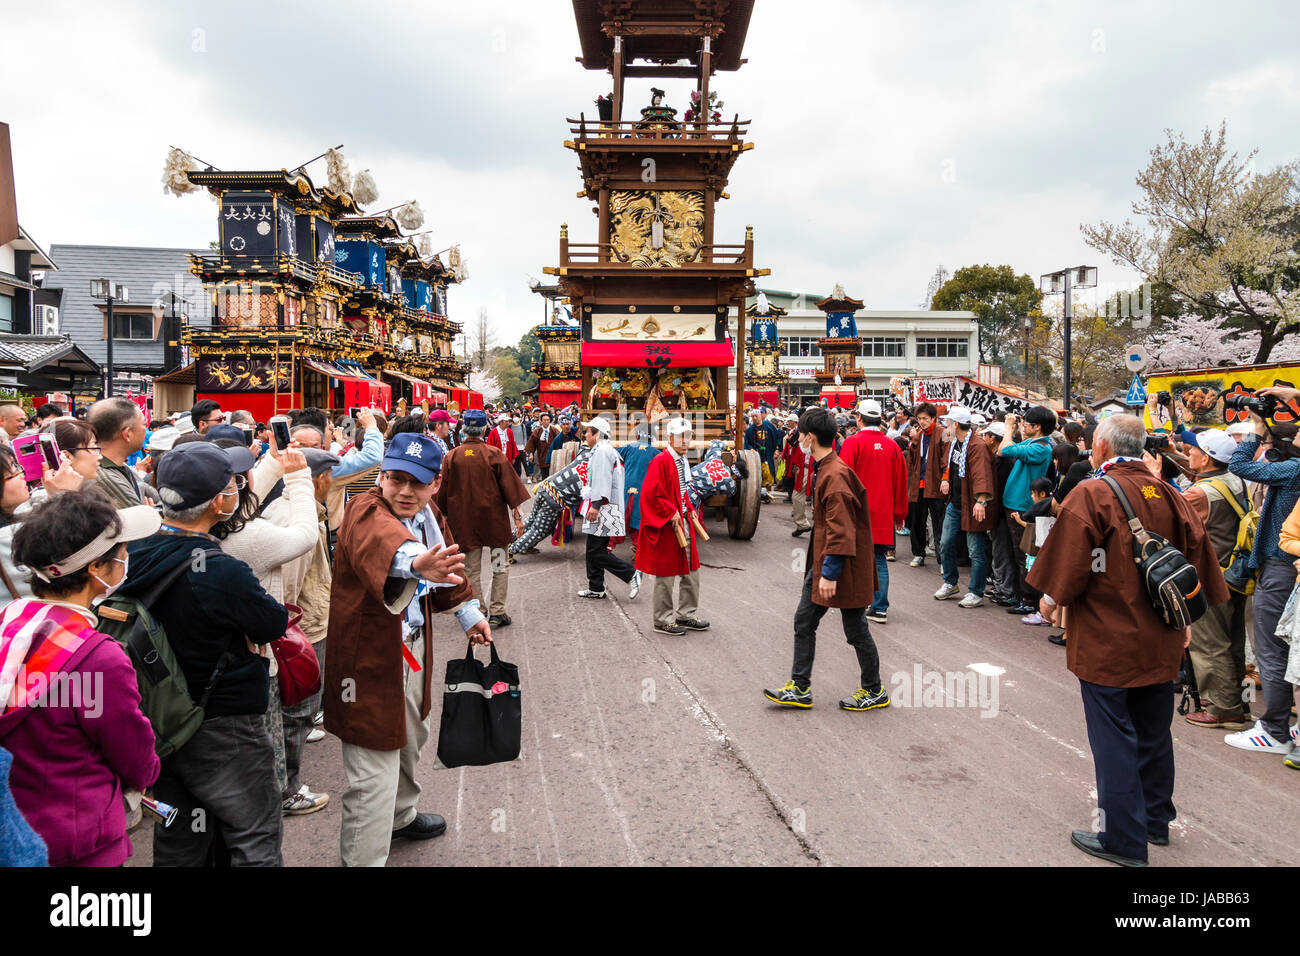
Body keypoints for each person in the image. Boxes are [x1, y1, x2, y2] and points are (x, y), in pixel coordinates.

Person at [1026, 414, 1227, 866]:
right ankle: (1155, 820)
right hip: (1162, 633)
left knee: (1114, 734)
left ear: (1099, 448)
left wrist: (1050, 598)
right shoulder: (1173, 494)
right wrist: (1189, 620)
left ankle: (1123, 837)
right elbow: (1199, 558)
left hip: (1107, 635)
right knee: (1153, 730)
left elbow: (1070, 563)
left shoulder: (1093, 493)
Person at [120, 442, 290, 866]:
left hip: (159, 717)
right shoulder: (217, 569)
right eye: (232, 486)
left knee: (181, 835)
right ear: (218, 502)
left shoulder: (131, 553)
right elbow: (270, 623)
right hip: (221, 723)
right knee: (254, 833)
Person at [324, 434, 490, 867]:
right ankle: (361, 860)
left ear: (436, 483)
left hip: (411, 648)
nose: (404, 491)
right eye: (395, 478)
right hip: (368, 659)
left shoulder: (428, 513)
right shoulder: (366, 508)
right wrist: (417, 563)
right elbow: (388, 547)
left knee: (411, 738)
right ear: (381, 475)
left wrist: (468, 613)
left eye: (416, 482)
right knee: (373, 763)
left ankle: (400, 816)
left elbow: (447, 561)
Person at [0, 493, 162, 866]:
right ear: (96, 569)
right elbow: (135, 755)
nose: (125, 558)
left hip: (17, 830)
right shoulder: (97, 657)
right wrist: (148, 771)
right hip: (80, 837)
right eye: (120, 552)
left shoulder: (11, 624)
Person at [763, 407, 888, 711]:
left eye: (801, 435)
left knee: (855, 628)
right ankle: (800, 687)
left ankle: (874, 690)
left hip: (839, 566)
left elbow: (840, 529)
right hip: (829, 564)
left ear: (810, 437)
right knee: (804, 621)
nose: (798, 439)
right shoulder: (829, 468)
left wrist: (830, 573)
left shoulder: (835, 474)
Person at [1225, 399, 1300, 755]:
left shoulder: (1294, 469)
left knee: (1272, 649)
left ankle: (1274, 730)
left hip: (1281, 565)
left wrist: (1257, 429)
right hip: (1289, 566)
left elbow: (1239, 464)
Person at [1176, 428, 1252, 729]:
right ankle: (1238, 704)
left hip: (1209, 575)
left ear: (1206, 458)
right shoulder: (1235, 481)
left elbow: (1172, 519)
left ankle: (1222, 709)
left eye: (1193, 449)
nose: (1188, 452)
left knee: (1209, 644)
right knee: (1233, 641)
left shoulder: (1198, 493)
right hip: (1234, 573)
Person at [276, 449, 340, 803]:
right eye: (330, 474)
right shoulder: (299, 524)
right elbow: (287, 591)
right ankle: (287, 789)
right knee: (298, 711)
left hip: (310, 620)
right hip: (305, 628)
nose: (334, 481)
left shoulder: (309, 513)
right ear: (319, 479)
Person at [435, 408, 531, 627]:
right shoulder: (493, 453)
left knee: (470, 570)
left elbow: (441, 494)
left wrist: (443, 520)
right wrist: (517, 517)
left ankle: (477, 610)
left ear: (463, 430)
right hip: (494, 523)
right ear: (485, 428)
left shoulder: (452, 456)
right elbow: (511, 489)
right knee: (499, 565)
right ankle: (498, 611)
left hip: (464, 523)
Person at [634, 417, 708, 634]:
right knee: (665, 574)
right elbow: (650, 494)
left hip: (683, 519)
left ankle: (687, 615)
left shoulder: (682, 461)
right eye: (681, 437)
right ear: (669, 438)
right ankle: (662, 620)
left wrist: (688, 509)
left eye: (688, 437)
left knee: (691, 570)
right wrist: (669, 510)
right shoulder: (660, 461)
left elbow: (682, 490)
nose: (685, 442)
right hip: (669, 525)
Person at [840, 399, 908, 624]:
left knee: (856, 558)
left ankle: (861, 600)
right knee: (879, 559)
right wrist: (899, 514)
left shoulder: (852, 443)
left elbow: (843, 480)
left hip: (857, 512)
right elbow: (901, 483)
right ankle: (879, 607)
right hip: (883, 513)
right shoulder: (893, 446)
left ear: (859, 418)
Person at [995, 406, 1057, 614]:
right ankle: (1017, 595)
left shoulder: (1042, 448)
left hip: (1023, 507)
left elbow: (1003, 450)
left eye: (1026, 423)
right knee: (1015, 554)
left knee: (1024, 556)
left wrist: (1008, 427)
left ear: (1037, 427)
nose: (1023, 425)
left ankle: (1029, 600)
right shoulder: (1032, 442)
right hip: (1014, 504)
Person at [934, 406, 995, 608]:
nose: (944, 426)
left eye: (947, 423)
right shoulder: (955, 443)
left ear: (956, 424)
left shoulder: (977, 445)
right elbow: (949, 466)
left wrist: (981, 500)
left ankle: (976, 591)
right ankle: (950, 582)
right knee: (945, 543)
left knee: (975, 550)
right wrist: (945, 479)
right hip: (956, 501)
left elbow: (981, 474)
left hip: (972, 503)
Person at [575, 415, 640, 601]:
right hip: (604, 505)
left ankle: (631, 574)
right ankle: (595, 587)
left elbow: (603, 480)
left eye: (588, 431)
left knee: (597, 551)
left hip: (603, 506)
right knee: (593, 548)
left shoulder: (602, 452)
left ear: (597, 434)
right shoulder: (602, 450)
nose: (586, 434)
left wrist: (595, 505)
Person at [88, 397, 154, 507]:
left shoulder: (122, 466)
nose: (145, 430)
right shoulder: (105, 478)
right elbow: (146, 517)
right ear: (127, 434)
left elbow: (156, 498)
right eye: (144, 424)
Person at [905, 403, 946, 567]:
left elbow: (946, 459)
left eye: (925, 419)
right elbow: (912, 461)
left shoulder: (944, 433)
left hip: (935, 485)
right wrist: (914, 440)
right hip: (918, 484)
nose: (922, 422)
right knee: (917, 522)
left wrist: (945, 478)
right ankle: (918, 553)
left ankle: (943, 559)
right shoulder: (918, 435)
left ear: (933, 418)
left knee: (939, 524)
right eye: (920, 418)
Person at [619, 429, 659, 551]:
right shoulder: (656, 452)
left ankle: (609, 546)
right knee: (639, 519)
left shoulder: (627, 448)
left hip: (626, 489)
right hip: (644, 491)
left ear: (637, 436)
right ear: (653, 438)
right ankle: (638, 547)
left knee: (623, 516)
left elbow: (614, 460)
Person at [784, 417, 814, 537]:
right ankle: (803, 524)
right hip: (806, 468)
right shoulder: (806, 433)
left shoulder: (812, 434)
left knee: (800, 496)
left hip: (812, 468)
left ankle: (803, 524)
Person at [526, 412, 560, 480]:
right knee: (544, 474)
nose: (546, 422)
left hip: (552, 455)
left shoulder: (554, 430)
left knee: (552, 475)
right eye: (544, 420)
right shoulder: (537, 431)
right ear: (541, 421)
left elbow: (559, 440)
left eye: (548, 420)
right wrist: (531, 454)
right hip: (542, 455)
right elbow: (531, 443)